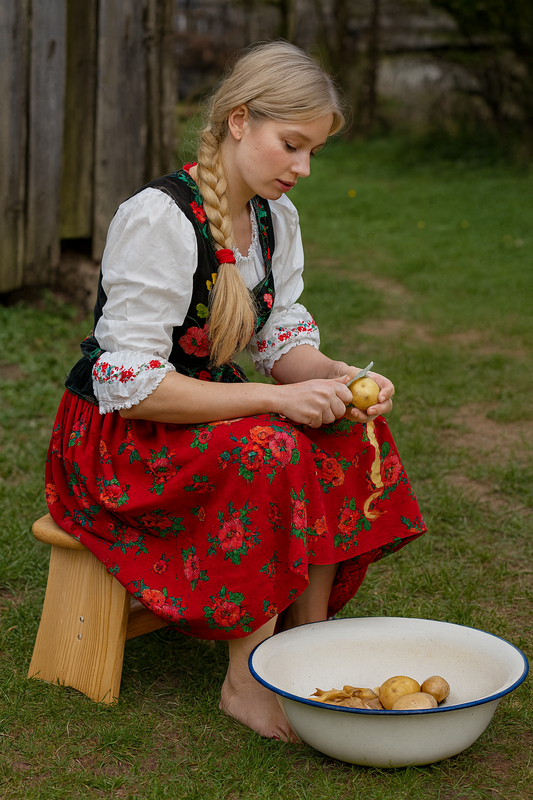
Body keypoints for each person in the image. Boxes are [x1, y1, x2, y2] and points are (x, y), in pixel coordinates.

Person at [45, 41, 426, 741]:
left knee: (341, 427)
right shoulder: (160, 218)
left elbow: (280, 340)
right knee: (270, 449)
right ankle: (246, 683)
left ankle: (306, 647)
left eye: (312, 151)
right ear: (240, 120)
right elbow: (128, 384)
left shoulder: (274, 219)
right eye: (291, 145)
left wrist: (337, 378)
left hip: (194, 408)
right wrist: (273, 402)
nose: (303, 167)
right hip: (121, 442)